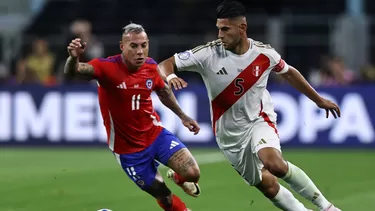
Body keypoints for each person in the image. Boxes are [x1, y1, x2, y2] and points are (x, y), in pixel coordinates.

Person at [158, 1, 342, 211]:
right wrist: (171, 75)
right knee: (268, 185)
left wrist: (318, 100)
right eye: (219, 29)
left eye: (225, 29)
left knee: (275, 164)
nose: (220, 35)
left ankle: (326, 207)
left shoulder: (264, 54)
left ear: (242, 28)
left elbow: (289, 72)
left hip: (258, 120)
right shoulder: (208, 54)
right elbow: (165, 64)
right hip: (229, 136)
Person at [64, 23, 201, 211]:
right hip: (129, 151)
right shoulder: (106, 68)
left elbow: (163, 91)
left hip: (155, 135)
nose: (140, 51)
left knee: (193, 174)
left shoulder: (151, 67)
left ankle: (179, 177)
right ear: (122, 46)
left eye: (144, 45)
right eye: (134, 46)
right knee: (164, 196)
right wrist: (73, 58)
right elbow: (73, 71)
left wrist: (183, 116)